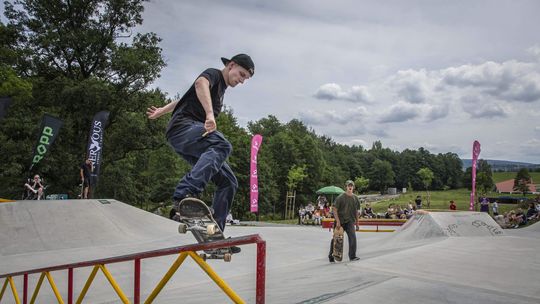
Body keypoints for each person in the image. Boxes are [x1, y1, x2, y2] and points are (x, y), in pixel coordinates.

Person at [146, 53, 254, 239]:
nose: (242, 81)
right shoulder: (214, 75)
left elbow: (185, 98)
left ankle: (214, 232)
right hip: (183, 128)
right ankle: (185, 193)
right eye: (242, 74)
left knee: (229, 182)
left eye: (246, 78)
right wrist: (210, 114)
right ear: (231, 65)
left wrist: (161, 111)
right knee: (222, 146)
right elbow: (199, 84)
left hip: (191, 137)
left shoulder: (220, 91)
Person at [329, 180, 360, 263]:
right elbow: (334, 209)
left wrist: (357, 223)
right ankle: (331, 255)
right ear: (346, 187)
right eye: (348, 186)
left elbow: (356, 211)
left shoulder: (356, 198)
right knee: (336, 239)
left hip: (350, 221)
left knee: (353, 237)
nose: (350, 187)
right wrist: (338, 221)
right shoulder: (340, 197)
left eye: (351, 186)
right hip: (340, 221)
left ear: (353, 187)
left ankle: (352, 256)